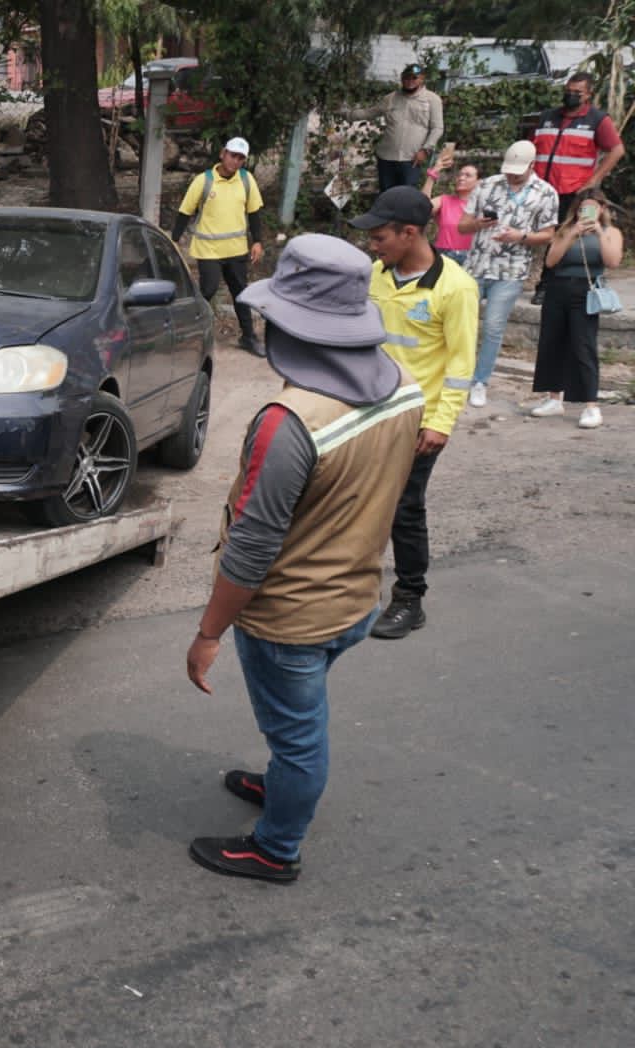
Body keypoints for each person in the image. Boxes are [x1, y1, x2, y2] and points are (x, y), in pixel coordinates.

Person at [185, 234, 424, 883]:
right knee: (297, 722)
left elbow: (252, 547)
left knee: (299, 739)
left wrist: (208, 633)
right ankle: (282, 783)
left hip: (289, 620)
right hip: (355, 599)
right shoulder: (405, 387)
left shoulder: (288, 422)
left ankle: (275, 848)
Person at [349, 186, 478, 640]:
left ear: (409, 233)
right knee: (360, 501)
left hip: (418, 421)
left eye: (380, 237)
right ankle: (356, 591)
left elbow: (461, 365)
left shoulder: (456, 288)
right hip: (369, 411)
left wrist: (441, 423)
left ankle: (409, 598)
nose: (373, 245)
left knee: (404, 508)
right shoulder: (375, 276)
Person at [455, 141, 559, 407]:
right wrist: (478, 223)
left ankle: (480, 382)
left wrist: (521, 236)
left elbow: (548, 235)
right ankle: (457, 375)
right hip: (476, 265)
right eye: (509, 170)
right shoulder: (488, 185)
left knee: (493, 327)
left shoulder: (546, 193)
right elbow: (462, 226)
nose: (511, 175)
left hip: (511, 270)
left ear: (532, 165)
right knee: (460, 323)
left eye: (517, 171)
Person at [531, 186, 623, 429]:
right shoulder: (566, 230)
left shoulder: (611, 232)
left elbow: (613, 261)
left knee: (583, 345)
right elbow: (551, 261)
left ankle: (591, 405)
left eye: (592, 207)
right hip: (558, 288)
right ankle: (553, 398)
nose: (587, 212)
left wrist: (599, 233)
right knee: (551, 343)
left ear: (602, 209)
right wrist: (572, 233)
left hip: (586, 291)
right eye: (583, 208)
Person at [532, 71, 626, 303]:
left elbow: (617, 150)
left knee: (562, 235)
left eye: (577, 92)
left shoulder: (597, 119)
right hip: (541, 189)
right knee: (537, 234)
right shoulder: (548, 116)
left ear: (588, 94)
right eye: (568, 91)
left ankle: (546, 285)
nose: (571, 96)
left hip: (572, 190)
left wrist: (594, 180)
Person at [172, 136, 266, 356]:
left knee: (241, 293)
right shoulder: (203, 181)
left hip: (236, 249)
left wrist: (257, 241)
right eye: (233, 156)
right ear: (223, 154)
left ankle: (248, 337)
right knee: (207, 290)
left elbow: (254, 213)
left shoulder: (246, 180)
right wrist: (174, 240)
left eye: (241, 158)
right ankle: (192, 335)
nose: (236, 161)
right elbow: (185, 212)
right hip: (209, 250)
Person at [348, 64, 445, 192]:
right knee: (386, 195)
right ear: (401, 78)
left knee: (406, 195)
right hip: (387, 157)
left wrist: (426, 149)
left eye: (414, 78)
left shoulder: (432, 99)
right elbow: (369, 113)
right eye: (406, 78)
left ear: (422, 79)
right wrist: (346, 114)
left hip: (412, 159)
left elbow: (437, 128)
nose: (410, 81)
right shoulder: (390, 98)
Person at [422, 156, 478, 266]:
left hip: (471, 258)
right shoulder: (445, 200)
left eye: (467, 175)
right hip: (444, 256)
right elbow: (421, 208)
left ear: (479, 182)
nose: (461, 178)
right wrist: (434, 172)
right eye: (459, 175)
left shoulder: (482, 205)